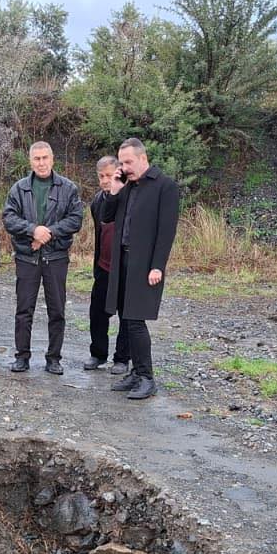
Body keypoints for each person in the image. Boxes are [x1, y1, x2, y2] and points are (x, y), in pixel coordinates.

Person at [97, 137, 180, 400]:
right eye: (122, 162)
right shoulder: (127, 187)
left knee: (135, 321)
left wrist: (158, 266)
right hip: (122, 263)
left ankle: (146, 377)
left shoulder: (164, 187)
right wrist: (115, 188)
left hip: (145, 265)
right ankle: (135, 372)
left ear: (143, 158)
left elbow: (166, 232)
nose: (125, 167)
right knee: (125, 318)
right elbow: (106, 217)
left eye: (128, 162)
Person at [2, 141, 83, 374]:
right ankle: (22, 357)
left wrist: (48, 233)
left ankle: (54, 358)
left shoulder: (68, 188)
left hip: (56, 258)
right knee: (24, 309)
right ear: (30, 161)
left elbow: (75, 219)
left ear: (52, 159)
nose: (41, 163)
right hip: (27, 259)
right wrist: (32, 230)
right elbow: (9, 218)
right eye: (36, 159)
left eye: (45, 158)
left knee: (57, 310)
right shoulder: (19, 188)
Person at [85, 155, 129, 373]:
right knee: (97, 312)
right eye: (101, 176)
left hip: (126, 267)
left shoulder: (130, 197)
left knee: (127, 314)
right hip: (103, 266)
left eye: (109, 175)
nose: (104, 180)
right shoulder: (97, 201)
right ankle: (98, 354)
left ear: (119, 173)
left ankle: (122, 359)